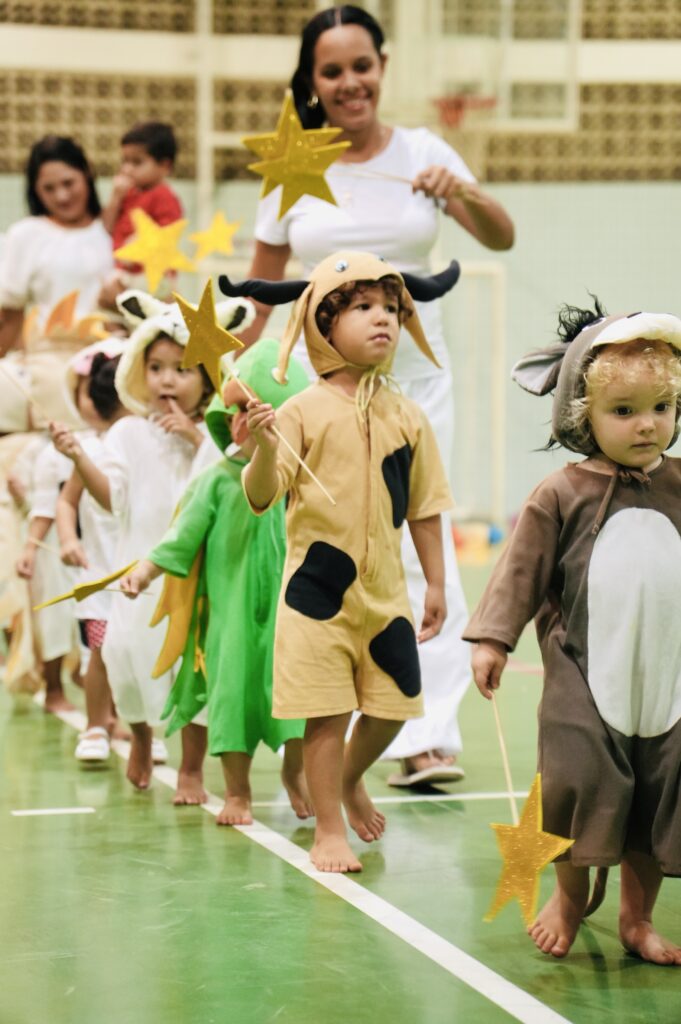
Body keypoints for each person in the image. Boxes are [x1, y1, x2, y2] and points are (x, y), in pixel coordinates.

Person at [240, 4, 515, 785]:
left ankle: (426, 735)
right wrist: (227, 367)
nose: (349, 82)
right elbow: (261, 296)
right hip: (319, 391)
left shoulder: (426, 151)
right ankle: (325, 723)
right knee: (332, 546)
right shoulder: (293, 167)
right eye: (331, 71)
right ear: (313, 83)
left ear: (382, 67)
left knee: (422, 538)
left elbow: (501, 236)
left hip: (416, 388)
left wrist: (459, 191)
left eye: (361, 65)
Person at [464, 303, 681, 965]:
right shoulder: (559, 494)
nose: (646, 424)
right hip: (584, 681)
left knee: (656, 793)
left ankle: (635, 919)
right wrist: (492, 638)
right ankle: (567, 895)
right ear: (578, 416)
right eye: (623, 410)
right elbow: (520, 571)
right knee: (577, 785)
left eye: (661, 406)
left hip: (667, 684)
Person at [233, 251, 456, 872]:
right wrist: (263, 447)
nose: (381, 318)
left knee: (394, 706)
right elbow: (260, 495)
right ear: (323, 325)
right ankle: (329, 829)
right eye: (362, 307)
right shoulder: (302, 409)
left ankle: (352, 778)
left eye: (390, 307)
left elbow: (427, 506)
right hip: (316, 595)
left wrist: (436, 582)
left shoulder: (408, 414)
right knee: (327, 715)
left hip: (386, 598)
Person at [50, 289, 253, 797]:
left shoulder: (217, 436)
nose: (167, 379)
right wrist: (79, 457)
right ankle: (139, 734)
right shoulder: (125, 434)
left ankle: (190, 767)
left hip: (198, 577)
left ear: (208, 376)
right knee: (123, 655)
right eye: (157, 366)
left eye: (183, 369)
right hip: (136, 571)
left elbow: (231, 483)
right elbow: (108, 497)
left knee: (196, 670)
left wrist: (194, 436)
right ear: (140, 369)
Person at [120, 338, 313, 825]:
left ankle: (297, 773)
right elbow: (178, 540)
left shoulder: (300, 482)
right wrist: (144, 571)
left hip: (292, 613)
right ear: (228, 422)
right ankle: (238, 792)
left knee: (301, 701)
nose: (251, 421)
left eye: (265, 412)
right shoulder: (214, 481)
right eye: (241, 412)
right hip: (230, 618)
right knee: (232, 701)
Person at [55, 339, 129, 762]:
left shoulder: (156, 444)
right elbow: (67, 501)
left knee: (142, 654)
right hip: (100, 574)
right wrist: (68, 539)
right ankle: (96, 726)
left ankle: (141, 729)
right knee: (100, 651)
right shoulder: (91, 450)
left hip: (146, 574)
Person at [0, 135, 113, 355]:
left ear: (87, 173)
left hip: (111, 359)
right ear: (35, 190)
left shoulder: (112, 230)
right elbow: (11, 314)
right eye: (48, 189)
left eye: (68, 183)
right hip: (50, 358)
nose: (62, 196)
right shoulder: (26, 234)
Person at [100, 122, 183, 302]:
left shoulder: (164, 196)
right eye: (125, 161)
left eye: (137, 162)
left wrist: (138, 245)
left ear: (165, 166)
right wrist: (115, 198)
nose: (127, 169)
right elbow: (105, 229)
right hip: (126, 272)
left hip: (150, 276)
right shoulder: (128, 193)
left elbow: (167, 235)